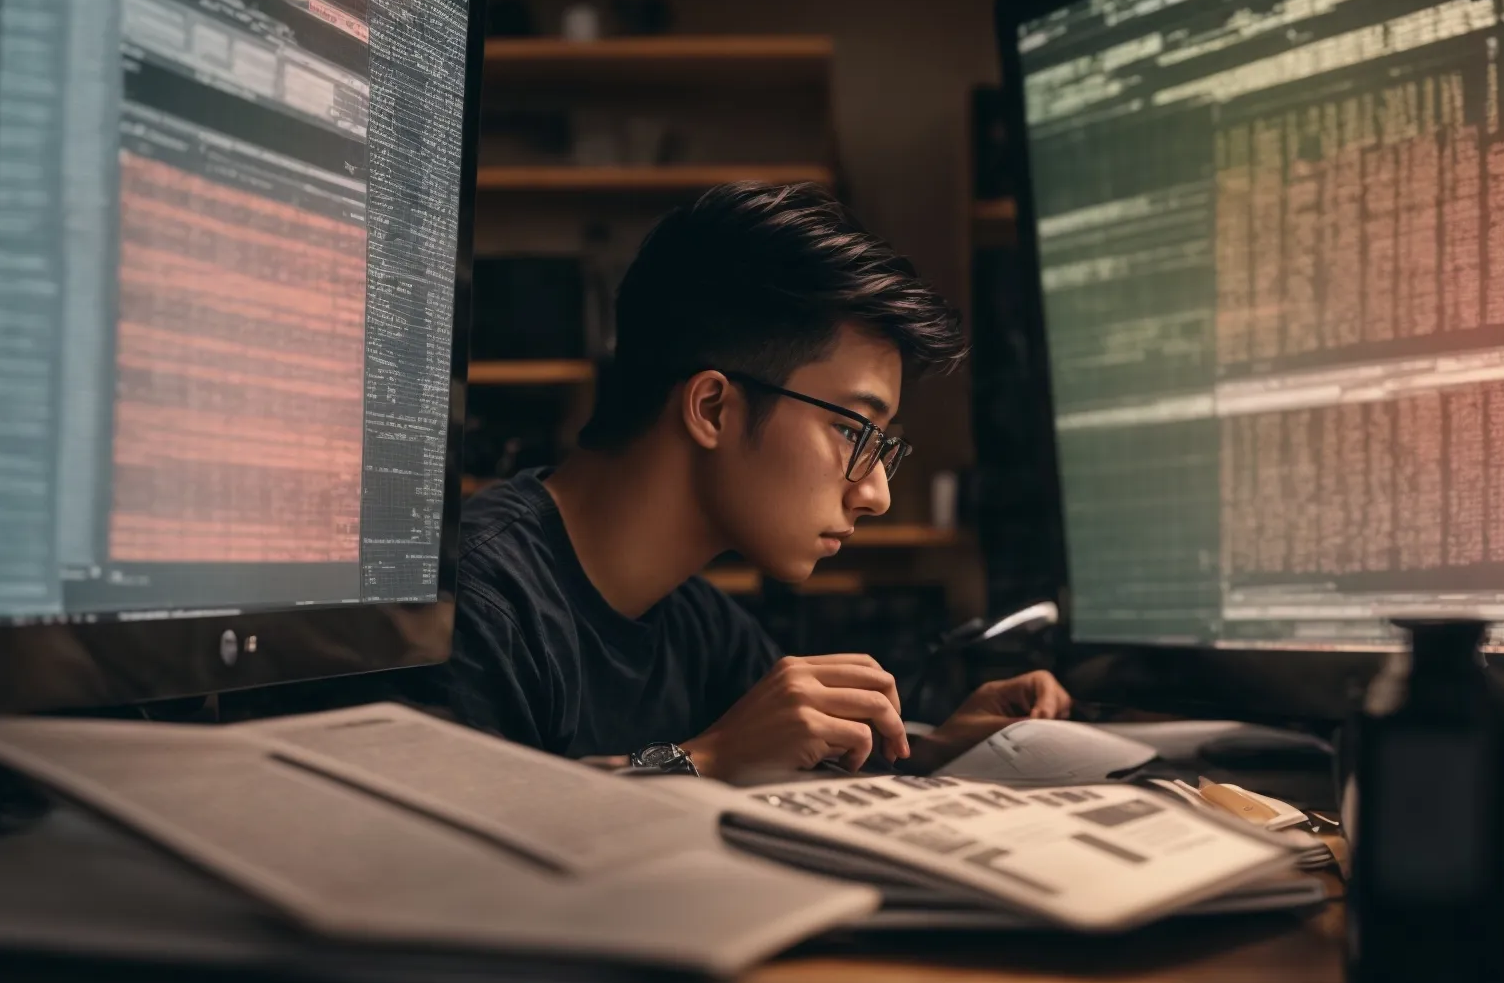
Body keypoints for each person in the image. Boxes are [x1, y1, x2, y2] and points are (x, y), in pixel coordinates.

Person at [417, 182, 1069, 782]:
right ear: (712, 409)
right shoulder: (470, 608)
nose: (876, 494)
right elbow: (441, 852)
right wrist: (704, 759)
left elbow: (798, 750)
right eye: (853, 432)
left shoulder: (700, 626)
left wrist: (937, 749)